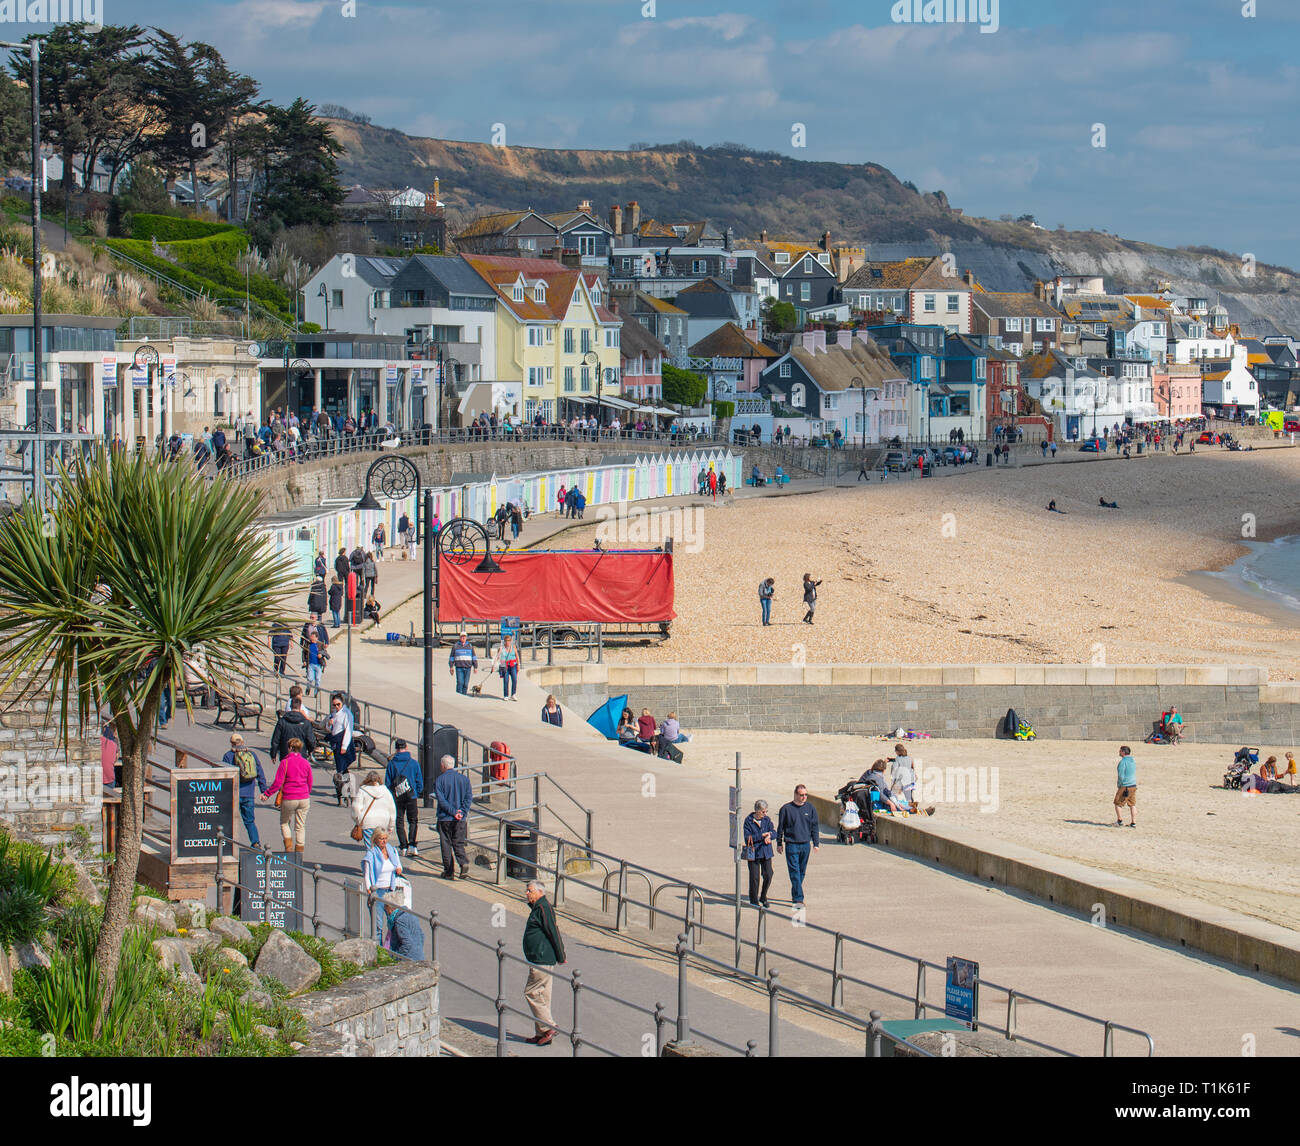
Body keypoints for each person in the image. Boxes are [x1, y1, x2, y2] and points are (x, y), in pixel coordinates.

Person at [522, 879, 566, 1046]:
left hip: (542, 959)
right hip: (540, 958)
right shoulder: (538, 907)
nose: (527, 893)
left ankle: (549, 1026)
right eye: (527, 890)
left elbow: (553, 931)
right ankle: (541, 1033)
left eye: (529, 890)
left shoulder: (543, 908)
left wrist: (561, 955)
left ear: (540, 892)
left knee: (531, 992)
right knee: (543, 995)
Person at [262, 737, 313, 853]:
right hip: (304, 797)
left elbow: (278, 782)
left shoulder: (285, 762)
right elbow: (310, 781)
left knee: (285, 822)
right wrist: (306, 792)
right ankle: (299, 852)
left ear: (290, 748)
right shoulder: (306, 763)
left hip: (289, 797)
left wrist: (267, 794)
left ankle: (289, 848)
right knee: (300, 826)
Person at [776, 784, 819, 907]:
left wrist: (816, 843)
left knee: (801, 872)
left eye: (806, 795)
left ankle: (795, 893)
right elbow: (781, 827)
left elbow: (815, 826)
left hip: (805, 844)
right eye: (801, 795)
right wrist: (779, 843)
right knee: (794, 871)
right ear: (795, 794)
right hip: (792, 844)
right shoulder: (786, 809)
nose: (804, 797)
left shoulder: (811, 808)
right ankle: (799, 898)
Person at [223, 732, 267, 846]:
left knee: (230, 820)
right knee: (249, 821)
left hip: (234, 793)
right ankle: (255, 842)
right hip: (249, 794)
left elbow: (224, 775)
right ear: (242, 742)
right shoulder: (251, 754)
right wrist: (264, 790)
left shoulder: (228, 756)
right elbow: (260, 772)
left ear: (231, 743)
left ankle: (229, 844)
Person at [434, 754, 473, 880]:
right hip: (460, 819)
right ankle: (463, 862)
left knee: (446, 844)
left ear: (443, 765)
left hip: (445, 817)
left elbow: (441, 800)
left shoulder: (440, 780)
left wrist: (452, 811)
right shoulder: (464, 779)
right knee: (458, 842)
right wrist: (462, 812)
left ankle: (449, 871)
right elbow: (468, 798)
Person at [385, 739, 424, 856]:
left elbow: (388, 783)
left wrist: (392, 794)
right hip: (411, 796)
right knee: (413, 820)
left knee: (399, 821)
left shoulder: (391, 764)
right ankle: (412, 845)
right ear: (406, 748)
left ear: (396, 749)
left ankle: (403, 846)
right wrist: (416, 792)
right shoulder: (413, 763)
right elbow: (419, 782)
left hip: (397, 797)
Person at [361, 828, 403, 934]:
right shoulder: (371, 854)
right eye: (381, 839)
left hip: (390, 890)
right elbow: (367, 874)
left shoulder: (392, 851)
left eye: (385, 838)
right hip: (378, 891)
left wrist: (399, 868)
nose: (384, 841)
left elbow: (398, 865)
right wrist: (369, 890)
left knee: (393, 922)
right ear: (375, 840)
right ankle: (379, 948)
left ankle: (390, 948)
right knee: (378, 925)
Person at [743, 799, 776, 908]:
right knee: (754, 878)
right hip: (754, 853)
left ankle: (763, 896)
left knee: (768, 874)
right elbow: (747, 838)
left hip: (766, 852)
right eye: (763, 812)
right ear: (757, 811)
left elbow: (774, 832)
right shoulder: (748, 821)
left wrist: (769, 836)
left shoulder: (767, 820)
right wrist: (761, 836)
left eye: (766, 811)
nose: (765, 814)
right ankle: (754, 900)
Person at [352, 770, 397, 850]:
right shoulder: (385, 791)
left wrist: (358, 820)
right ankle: (379, 861)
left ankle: (371, 861)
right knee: (381, 847)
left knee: (370, 848)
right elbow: (392, 809)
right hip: (383, 821)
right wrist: (391, 825)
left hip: (368, 822)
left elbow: (356, 807)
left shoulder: (362, 790)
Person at [269, 694, 317, 762]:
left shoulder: (282, 721)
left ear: (291, 706)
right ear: (300, 707)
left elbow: (275, 740)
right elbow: (311, 740)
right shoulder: (306, 723)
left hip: (285, 755)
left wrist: (273, 754)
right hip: (301, 755)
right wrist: (310, 751)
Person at [381, 892, 425, 959]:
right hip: (419, 956)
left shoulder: (400, 920)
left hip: (409, 959)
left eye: (385, 906)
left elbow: (407, 944)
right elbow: (421, 936)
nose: (384, 909)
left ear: (390, 907)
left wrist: (396, 957)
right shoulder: (411, 914)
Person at [328, 692, 357, 776]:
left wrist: (344, 746)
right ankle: (342, 780)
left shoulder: (346, 714)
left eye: (338, 704)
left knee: (342, 764)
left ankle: (343, 781)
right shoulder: (334, 714)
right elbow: (330, 729)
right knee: (339, 765)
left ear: (342, 703)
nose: (336, 707)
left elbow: (348, 731)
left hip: (342, 740)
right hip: (335, 741)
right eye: (334, 705)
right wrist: (329, 724)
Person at [1114, 745, 1137, 827]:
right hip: (1133, 785)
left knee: (1117, 803)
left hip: (1125, 786)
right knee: (1132, 804)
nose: (1119, 752)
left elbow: (1121, 775)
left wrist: (1119, 785)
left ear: (1123, 752)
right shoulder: (1133, 761)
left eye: (1120, 751)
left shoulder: (1123, 762)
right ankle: (1133, 822)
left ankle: (1119, 820)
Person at [497, 633, 520, 701]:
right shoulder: (501, 648)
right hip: (505, 666)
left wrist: (518, 665)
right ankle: (506, 695)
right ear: (504, 641)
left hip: (513, 665)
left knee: (514, 679)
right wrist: (495, 665)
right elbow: (497, 657)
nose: (507, 642)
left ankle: (513, 694)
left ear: (510, 641)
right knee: (506, 680)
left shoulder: (513, 647)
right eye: (506, 641)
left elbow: (517, 656)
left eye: (509, 641)